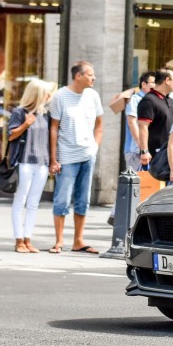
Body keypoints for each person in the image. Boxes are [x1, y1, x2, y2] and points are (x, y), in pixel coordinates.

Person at [48, 60, 104, 254]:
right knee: (62, 199)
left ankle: (78, 241)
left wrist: (94, 148)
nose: (94, 78)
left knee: (83, 199)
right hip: (66, 156)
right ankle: (59, 241)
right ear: (78, 76)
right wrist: (53, 158)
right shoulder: (60, 97)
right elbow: (53, 128)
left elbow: (99, 124)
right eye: (90, 74)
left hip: (88, 154)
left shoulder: (93, 96)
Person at [7, 79, 54, 254]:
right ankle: (18, 240)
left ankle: (28, 239)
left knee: (34, 203)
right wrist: (26, 124)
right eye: (46, 93)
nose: (49, 96)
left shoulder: (45, 114)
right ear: (37, 94)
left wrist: (52, 162)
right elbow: (11, 135)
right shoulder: (20, 112)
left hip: (42, 163)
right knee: (20, 200)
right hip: (25, 161)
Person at [135, 68, 173, 178]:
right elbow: (143, 126)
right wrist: (144, 151)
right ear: (167, 80)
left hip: (170, 153)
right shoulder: (149, 100)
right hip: (156, 155)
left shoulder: (170, 100)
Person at [109, 70, 155, 173]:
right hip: (136, 151)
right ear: (144, 84)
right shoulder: (135, 99)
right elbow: (132, 122)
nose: (155, 85)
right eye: (153, 82)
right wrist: (142, 147)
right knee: (136, 183)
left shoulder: (150, 100)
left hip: (146, 150)